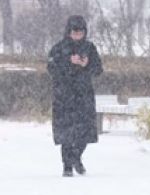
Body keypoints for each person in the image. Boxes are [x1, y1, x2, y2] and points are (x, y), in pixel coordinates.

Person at [47, 15, 103, 177]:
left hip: (84, 95)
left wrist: (87, 65)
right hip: (64, 96)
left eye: (81, 32)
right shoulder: (58, 48)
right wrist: (68, 62)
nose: (78, 35)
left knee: (85, 132)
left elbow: (98, 69)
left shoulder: (90, 48)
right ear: (68, 32)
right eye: (75, 32)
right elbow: (51, 69)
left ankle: (76, 157)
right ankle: (67, 166)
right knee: (66, 133)